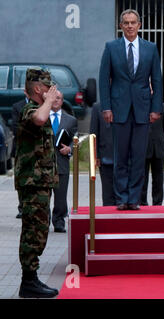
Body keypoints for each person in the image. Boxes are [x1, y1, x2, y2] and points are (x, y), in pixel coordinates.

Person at [99, 9, 163, 211]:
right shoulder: (111, 47)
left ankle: (134, 198)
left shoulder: (150, 48)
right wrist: (106, 107)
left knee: (138, 156)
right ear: (120, 26)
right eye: (125, 23)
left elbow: (157, 80)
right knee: (120, 155)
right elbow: (103, 80)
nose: (129, 26)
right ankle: (121, 197)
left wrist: (156, 108)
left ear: (139, 25)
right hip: (119, 109)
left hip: (143, 109)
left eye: (133, 22)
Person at [15, 67, 59, 298]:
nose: (53, 90)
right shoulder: (28, 110)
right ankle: (28, 281)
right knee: (33, 231)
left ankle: (31, 279)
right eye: (49, 86)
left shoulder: (38, 108)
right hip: (32, 185)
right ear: (38, 89)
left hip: (40, 183)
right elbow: (40, 118)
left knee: (39, 229)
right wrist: (49, 101)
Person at [49, 91, 78, 232]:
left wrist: (69, 149)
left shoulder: (71, 120)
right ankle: (43, 221)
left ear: (62, 101)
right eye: (53, 98)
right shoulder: (41, 117)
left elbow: (75, 140)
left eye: (58, 98)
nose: (55, 100)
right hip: (43, 165)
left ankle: (59, 221)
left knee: (61, 198)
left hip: (62, 163)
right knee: (43, 197)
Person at [140, 103, 164, 206]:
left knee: (158, 179)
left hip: (158, 147)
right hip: (143, 146)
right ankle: (142, 202)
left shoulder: (163, 107)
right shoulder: (140, 104)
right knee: (142, 178)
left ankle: (157, 203)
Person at [90, 103, 116, 206]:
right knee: (107, 193)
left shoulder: (126, 103)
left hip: (125, 157)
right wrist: (96, 156)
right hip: (105, 156)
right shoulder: (97, 108)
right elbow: (93, 133)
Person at [11, 93, 29, 219]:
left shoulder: (41, 105)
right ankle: (22, 207)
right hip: (22, 148)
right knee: (21, 178)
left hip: (37, 149)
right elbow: (16, 127)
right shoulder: (17, 106)